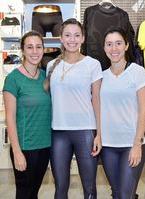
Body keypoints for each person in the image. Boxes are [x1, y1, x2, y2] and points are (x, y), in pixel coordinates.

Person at [44, 18, 103, 199]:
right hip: (59, 132)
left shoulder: (93, 64)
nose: (72, 39)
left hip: (85, 130)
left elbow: (96, 101)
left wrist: (99, 134)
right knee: (60, 187)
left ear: (83, 38)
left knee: (89, 188)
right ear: (60, 38)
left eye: (77, 35)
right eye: (67, 35)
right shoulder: (51, 66)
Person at [100, 27, 145, 199]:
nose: (114, 49)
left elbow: (144, 110)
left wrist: (137, 144)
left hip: (131, 144)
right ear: (104, 48)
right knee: (116, 193)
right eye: (109, 44)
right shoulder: (100, 77)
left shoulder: (138, 73)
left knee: (124, 195)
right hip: (108, 146)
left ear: (127, 45)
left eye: (118, 43)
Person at [3, 31, 51, 199]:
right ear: (22, 50)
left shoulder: (46, 77)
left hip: (45, 146)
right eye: (29, 47)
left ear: (44, 50)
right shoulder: (13, 79)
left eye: (38, 47)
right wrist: (17, 151)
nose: (35, 51)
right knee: (24, 194)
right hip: (24, 147)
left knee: (34, 192)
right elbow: (9, 118)